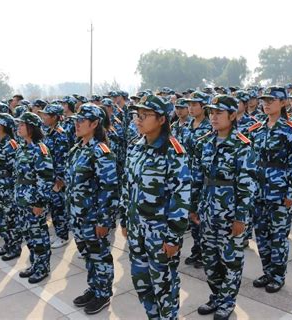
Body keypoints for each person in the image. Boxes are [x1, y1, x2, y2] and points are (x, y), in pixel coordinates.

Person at [121, 95, 191, 320]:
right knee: (141, 281)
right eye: (137, 116)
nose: (138, 120)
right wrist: (124, 219)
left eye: (145, 116)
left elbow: (180, 197)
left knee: (164, 285)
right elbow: (127, 186)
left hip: (159, 233)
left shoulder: (174, 151)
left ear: (161, 119)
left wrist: (173, 237)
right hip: (136, 229)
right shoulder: (135, 146)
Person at [192, 95, 256, 320]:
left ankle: (227, 302)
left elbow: (247, 186)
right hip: (207, 213)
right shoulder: (204, 143)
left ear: (232, 115)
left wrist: (240, 218)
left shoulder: (242, 145)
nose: (213, 117)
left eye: (219, 113)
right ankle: (218, 295)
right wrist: (192, 207)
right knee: (210, 261)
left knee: (230, 261)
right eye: (211, 112)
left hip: (231, 215)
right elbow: (196, 178)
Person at [248, 86, 292, 293]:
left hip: (279, 192)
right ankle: (268, 271)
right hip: (258, 191)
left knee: (278, 236)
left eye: (271, 100)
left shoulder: (290, 130)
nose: (266, 104)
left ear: (283, 103)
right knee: (261, 235)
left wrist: (291, 193)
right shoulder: (256, 129)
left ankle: (278, 276)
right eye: (264, 100)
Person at [66, 104, 119, 315]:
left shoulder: (101, 152)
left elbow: (109, 189)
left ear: (95, 124)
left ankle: (104, 293)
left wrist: (104, 221)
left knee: (100, 255)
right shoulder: (78, 148)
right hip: (78, 215)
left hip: (93, 217)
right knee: (88, 255)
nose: (76, 124)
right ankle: (94, 287)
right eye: (76, 119)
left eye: (82, 120)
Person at [15, 112, 54, 284]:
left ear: (31, 128)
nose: (19, 127)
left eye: (22, 125)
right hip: (23, 198)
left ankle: (43, 267)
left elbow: (46, 178)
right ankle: (35, 263)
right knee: (29, 235)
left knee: (39, 236)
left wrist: (40, 202)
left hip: (34, 200)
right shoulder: (22, 146)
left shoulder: (40, 149)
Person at [0, 113, 22, 261]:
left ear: (1, 126)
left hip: (7, 189)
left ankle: (15, 247)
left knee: (11, 220)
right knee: (1, 219)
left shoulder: (12, 145)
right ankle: (7, 243)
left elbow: (16, 171)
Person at [185, 91, 212, 269]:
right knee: (191, 214)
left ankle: (204, 252)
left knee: (201, 217)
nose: (191, 108)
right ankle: (196, 249)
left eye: (195, 105)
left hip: (202, 178)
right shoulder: (187, 126)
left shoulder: (210, 127)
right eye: (190, 104)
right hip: (187, 177)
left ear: (204, 107)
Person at [39, 104, 71, 249]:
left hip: (57, 178)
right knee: (53, 206)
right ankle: (58, 232)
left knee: (59, 207)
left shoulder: (60, 134)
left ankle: (63, 235)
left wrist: (60, 179)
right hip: (50, 177)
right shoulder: (49, 132)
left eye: (47, 115)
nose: (44, 117)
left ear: (55, 117)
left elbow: (62, 159)